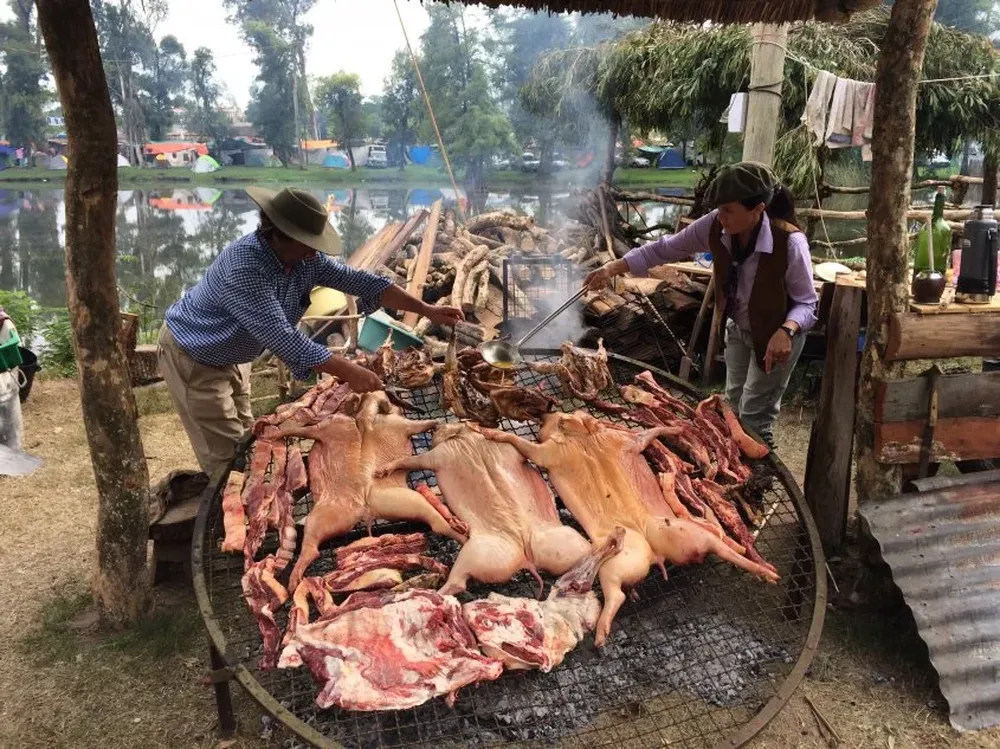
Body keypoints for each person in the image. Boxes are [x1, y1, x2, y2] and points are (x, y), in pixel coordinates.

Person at [158, 186, 464, 479]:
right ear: (281, 235)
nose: (314, 251)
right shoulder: (245, 269)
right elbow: (285, 339)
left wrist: (427, 309)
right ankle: (231, 505)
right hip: (197, 355)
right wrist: (349, 371)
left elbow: (365, 283)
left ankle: (248, 481)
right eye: (308, 242)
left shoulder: (304, 259)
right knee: (224, 457)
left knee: (248, 437)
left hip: (236, 353)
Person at [585, 162, 817, 447]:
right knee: (731, 409)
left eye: (728, 210)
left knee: (756, 416)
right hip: (739, 328)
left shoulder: (790, 243)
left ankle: (759, 468)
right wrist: (612, 267)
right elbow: (666, 248)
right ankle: (733, 465)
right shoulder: (717, 224)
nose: (721, 216)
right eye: (719, 208)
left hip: (777, 337)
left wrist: (787, 330)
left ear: (758, 209)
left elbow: (807, 303)